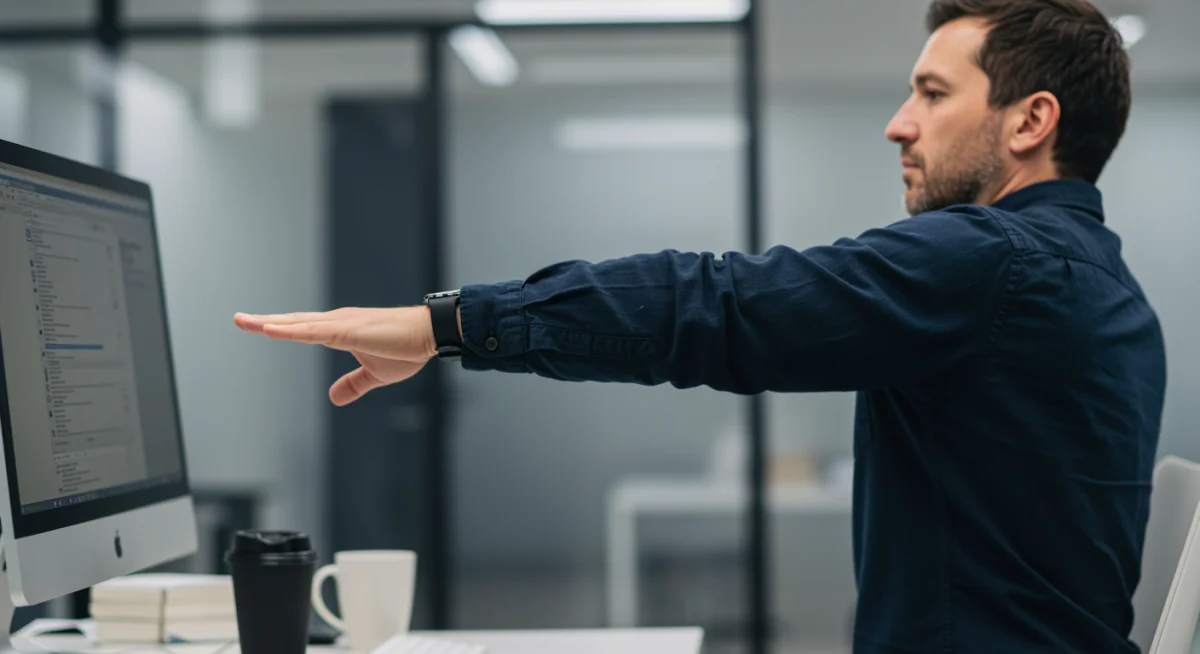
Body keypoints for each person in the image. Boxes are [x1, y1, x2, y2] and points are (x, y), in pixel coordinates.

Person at [234, 0, 1166, 651]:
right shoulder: (1111, 291)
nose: (899, 124)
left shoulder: (992, 261)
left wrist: (446, 325)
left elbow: (714, 305)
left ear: (1029, 121)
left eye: (931, 92)